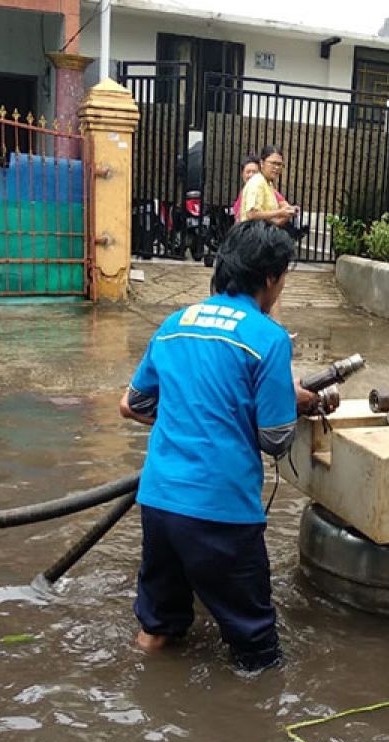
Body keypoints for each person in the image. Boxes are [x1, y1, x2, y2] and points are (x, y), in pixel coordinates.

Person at [119, 221, 321, 671]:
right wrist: (291, 400)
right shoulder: (267, 338)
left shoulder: (175, 323)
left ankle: (136, 690)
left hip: (158, 502)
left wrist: (189, 414)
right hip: (221, 513)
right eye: (284, 278)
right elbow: (274, 439)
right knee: (257, 651)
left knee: (157, 628)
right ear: (270, 277)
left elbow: (132, 403)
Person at [240, 145, 298, 228]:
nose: (277, 167)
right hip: (253, 236)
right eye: (273, 163)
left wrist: (288, 213)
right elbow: (251, 214)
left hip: (264, 235)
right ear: (262, 163)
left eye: (280, 164)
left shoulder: (268, 184)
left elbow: (276, 222)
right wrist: (280, 212)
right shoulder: (257, 182)